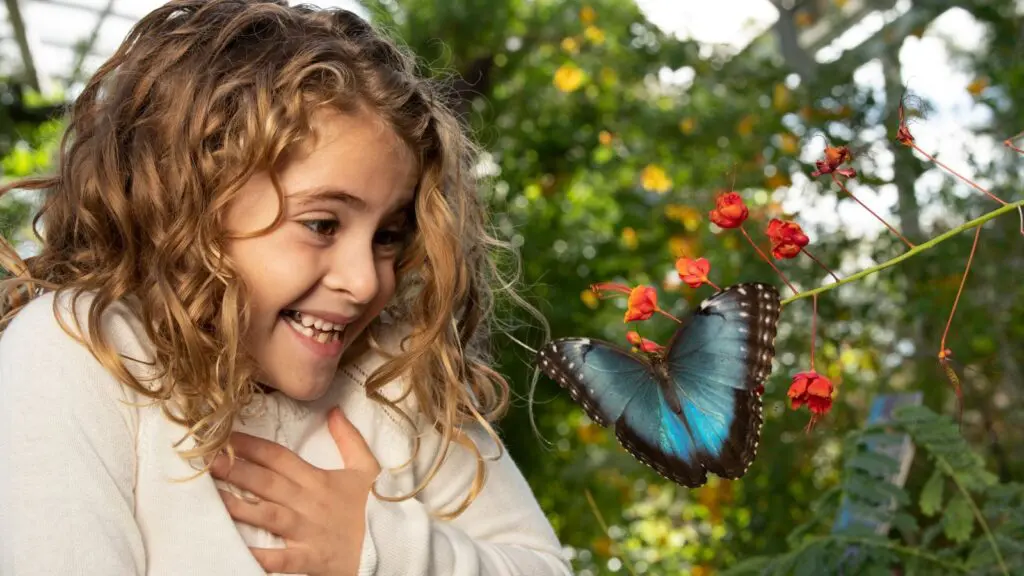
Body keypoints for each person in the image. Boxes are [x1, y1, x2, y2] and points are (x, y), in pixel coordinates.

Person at [0, 1, 572, 575]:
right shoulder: (80, 352)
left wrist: (377, 547)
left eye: (388, 235)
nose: (366, 280)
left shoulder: (392, 375)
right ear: (184, 205)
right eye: (321, 225)